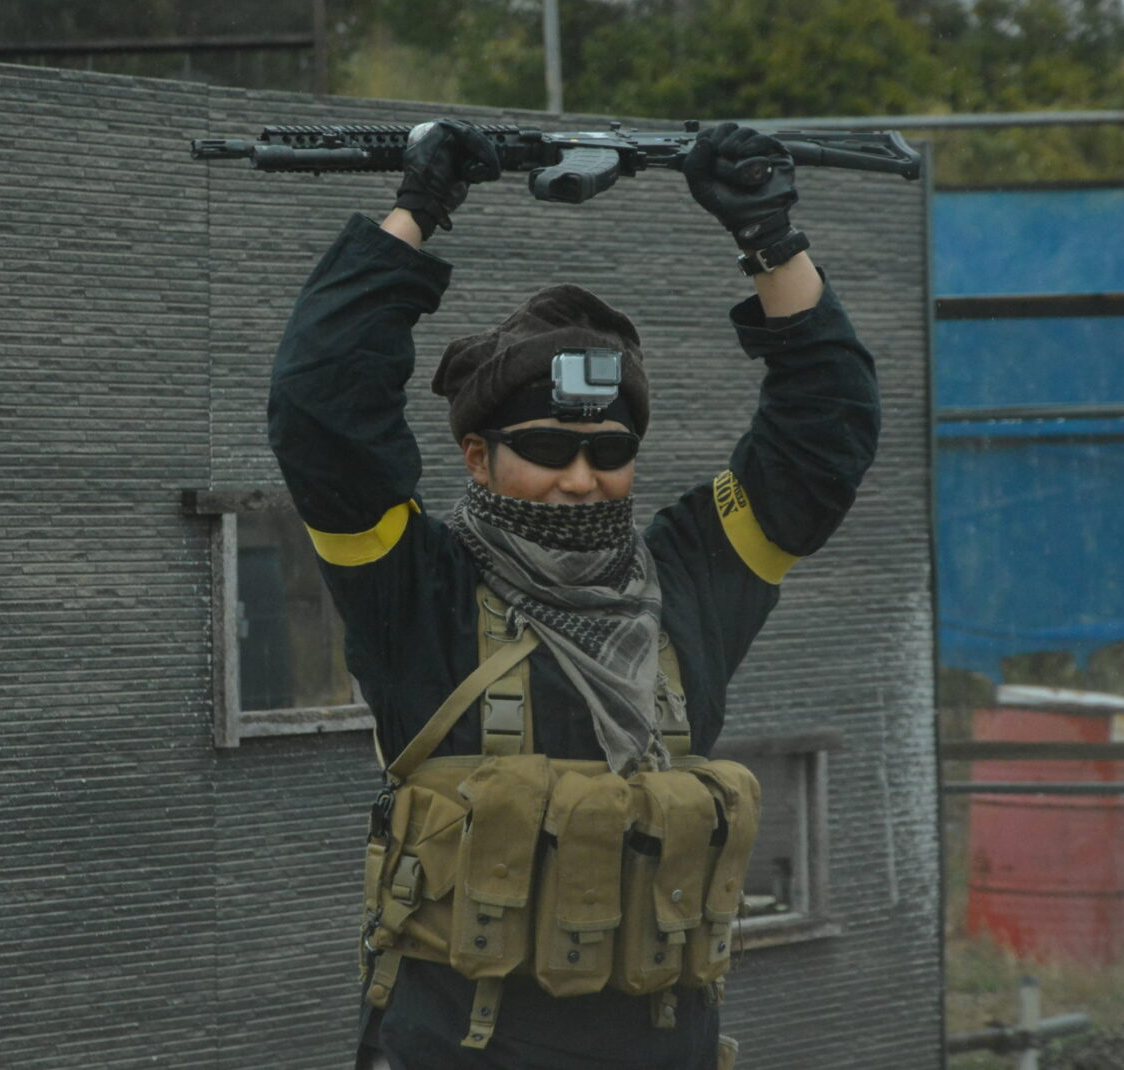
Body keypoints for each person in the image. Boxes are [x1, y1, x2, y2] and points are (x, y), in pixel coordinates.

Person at [268, 119, 879, 1070]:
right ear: (478, 456)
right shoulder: (418, 591)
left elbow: (825, 432)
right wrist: (418, 209)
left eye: (610, 451)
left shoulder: (688, 580)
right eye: (548, 449)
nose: (581, 480)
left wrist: (771, 239)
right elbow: (321, 410)